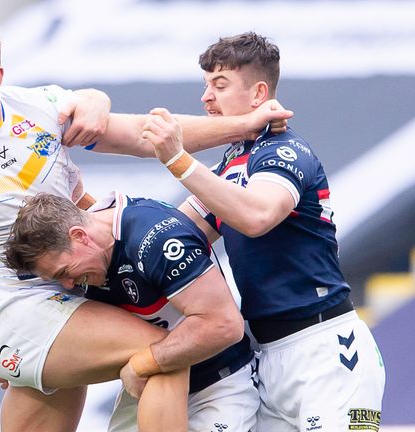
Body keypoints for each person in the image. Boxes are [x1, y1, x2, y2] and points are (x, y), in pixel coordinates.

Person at [0, 21, 293, 432]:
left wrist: (243, 126)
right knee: (165, 353)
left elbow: (145, 134)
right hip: (14, 312)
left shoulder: (42, 108)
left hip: (75, 297)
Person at [144, 32, 386, 431]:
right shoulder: (232, 163)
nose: (206, 98)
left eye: (219, 86)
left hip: (325, 350)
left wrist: (178, 160)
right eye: (205, 86)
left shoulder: (284, 151)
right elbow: (174, 234)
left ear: (258, 93)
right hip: (265, 354)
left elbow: (257, 217)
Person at [4, 191, 258, 431]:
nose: (69, 285)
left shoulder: (156, 238)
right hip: (148, 390)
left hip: (218, 386)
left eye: (64, 272)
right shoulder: (88, 256)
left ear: (80, 236)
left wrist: (142, 364)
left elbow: (224, 326)